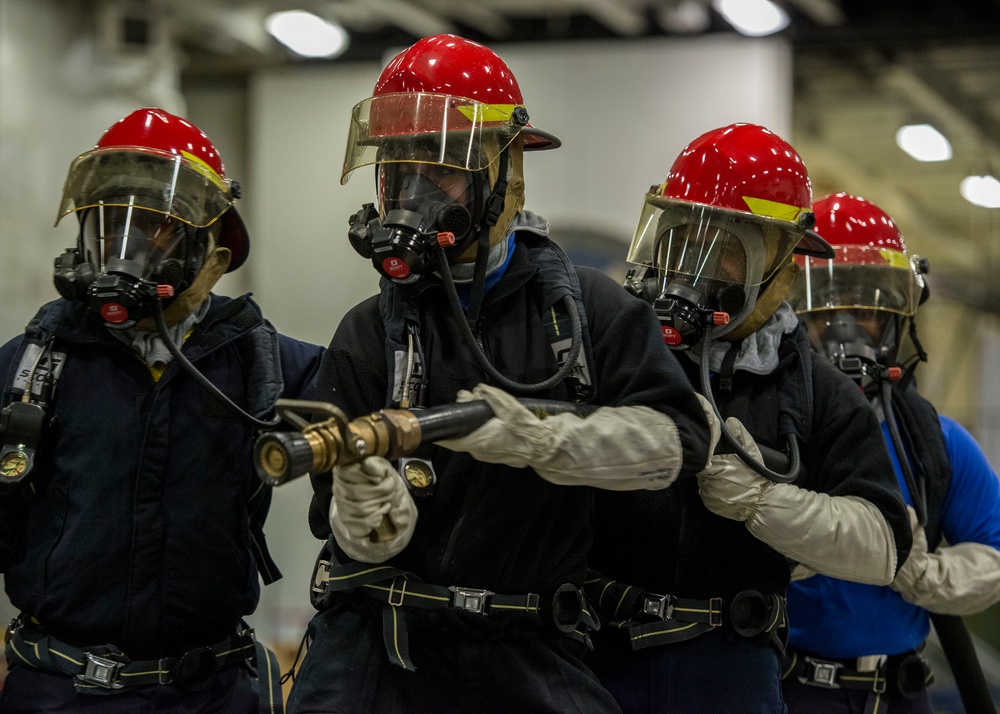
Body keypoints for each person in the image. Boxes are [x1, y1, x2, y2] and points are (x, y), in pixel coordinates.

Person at [285, 34, 716, 714]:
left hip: (529, 649)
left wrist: (541, 437)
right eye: (399, 170)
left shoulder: (589, 313)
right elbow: (344, 533)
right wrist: (366, 506)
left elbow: (677, 446)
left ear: (505, 173)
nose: (413, 193)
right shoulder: (371, 328)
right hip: (379, 646)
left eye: (442, 169)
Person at [0, 107, 324, 712]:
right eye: (113, 224)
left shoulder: (271, 367)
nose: (127, 249)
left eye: (156, 227)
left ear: (216, 258)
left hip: (213, 693)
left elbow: (377, 447)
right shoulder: (27, 370)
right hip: (55, 693)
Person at [585, 123, 913, 714]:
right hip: (596, 655)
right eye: (680, 239)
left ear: (783, 265)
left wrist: (762, 503)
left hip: (730, 669)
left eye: (724, 248)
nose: (691, 264)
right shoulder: (611, 347)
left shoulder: (816, 391)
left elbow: (883, 544)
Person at [782, 192, 1000, 713]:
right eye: (831, 310)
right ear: (793, 313)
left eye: (866, 311)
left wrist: (927, 576)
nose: (849, 332)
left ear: (895, 316)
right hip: (789, 690)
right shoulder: (768, 436)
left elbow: (993, 551)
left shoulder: (936, 443)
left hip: (902, 692)